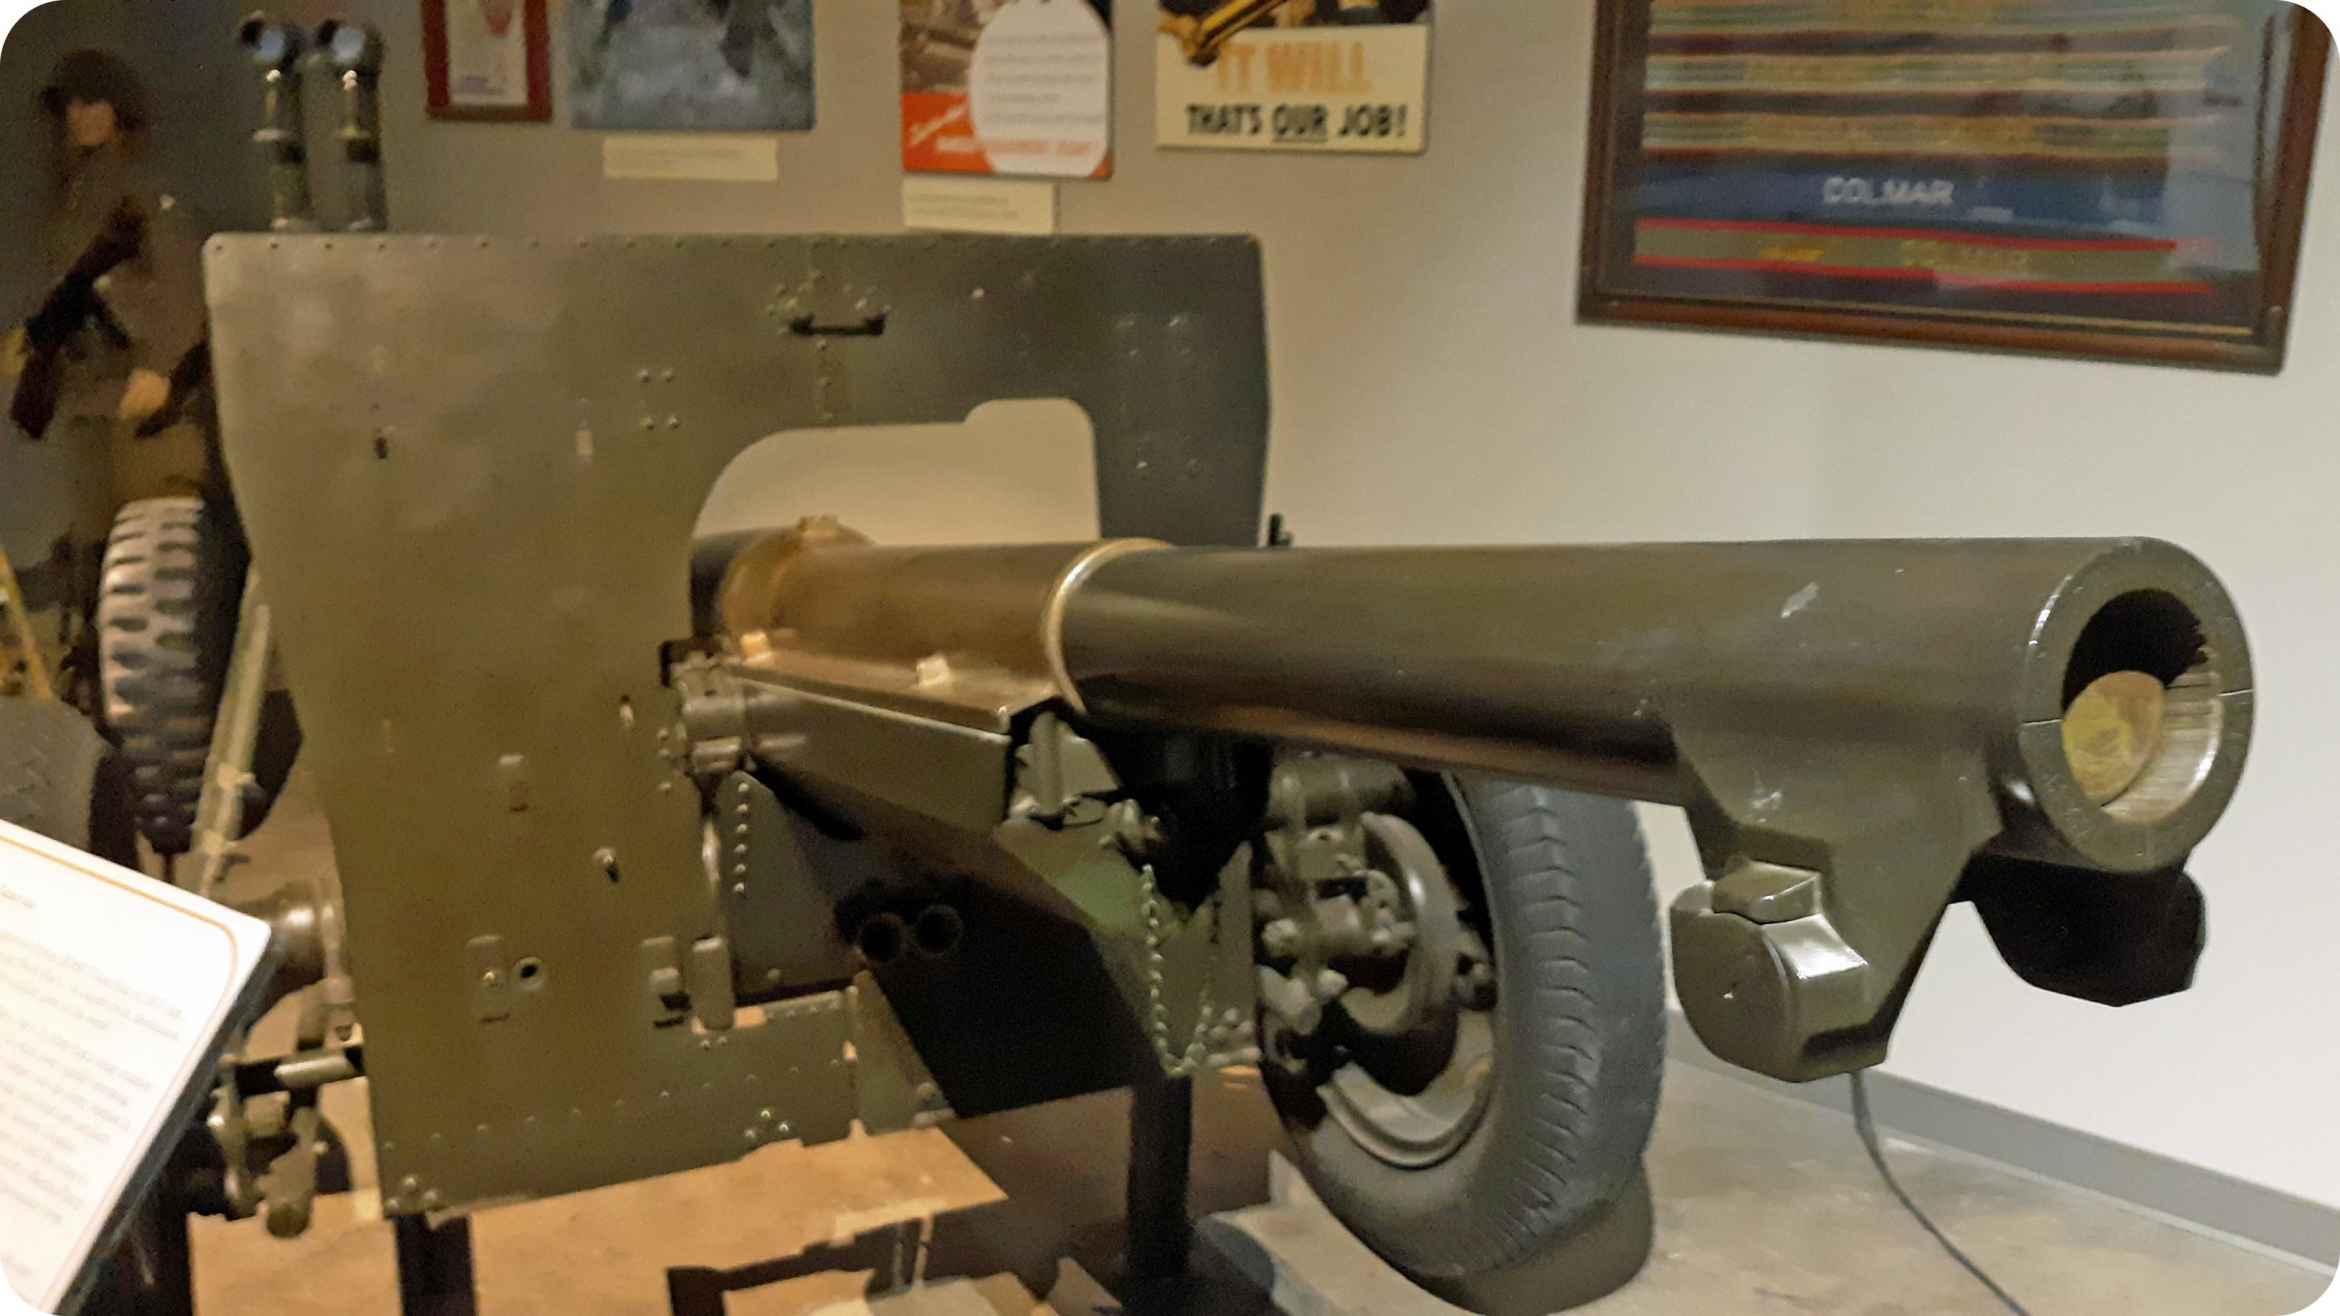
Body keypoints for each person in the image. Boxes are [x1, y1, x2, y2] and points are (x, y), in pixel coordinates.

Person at [7, 49, 221, 544]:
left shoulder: (142, 184)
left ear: (119, 108)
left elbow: (181, 278)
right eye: (71, 104)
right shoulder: (76, 194)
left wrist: (161, 368)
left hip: (147, 402)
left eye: (94, 101)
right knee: (98, 546)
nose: (80, 115)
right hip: (92, 394)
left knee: (157, 545)